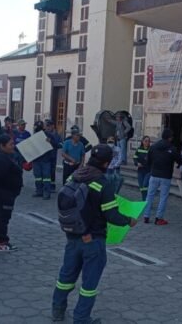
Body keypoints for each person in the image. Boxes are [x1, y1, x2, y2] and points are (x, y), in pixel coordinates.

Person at [52, 144, 137, 323]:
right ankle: (81, 318)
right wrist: (129, 220)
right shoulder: (102, 183)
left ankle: (57, 311)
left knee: (66, 276)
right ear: (106, 164)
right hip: (93, 240)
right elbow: (112, 215)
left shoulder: (74, 175)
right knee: (89, 284)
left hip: (72, 235)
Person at [0, 135, 24, 252]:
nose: (13, 146)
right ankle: (2, 241)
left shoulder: (3, 156)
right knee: (3, 217)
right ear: (2, 146)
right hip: (5, 192)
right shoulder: (2, 159)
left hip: (1, 191)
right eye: (10, 144)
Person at [143, 129, 182, 225]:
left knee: (149, 196)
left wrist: (152, 168)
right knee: (163, 197)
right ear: (169, 137)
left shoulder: (153, 147)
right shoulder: (172, 148)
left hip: (154, 175)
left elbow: (148, 161)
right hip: (166, 176)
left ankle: (146, 216)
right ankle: (159, 218)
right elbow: (180, 160)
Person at [32, 121, 57, 200]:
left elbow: (56, 145)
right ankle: (39, 190)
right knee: (37, 177)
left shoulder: (49, 135)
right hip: (36, 159)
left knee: (46, 177)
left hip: (46, 159)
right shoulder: (33, 136)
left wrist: (50, 142)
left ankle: (46, 192)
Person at [43, 119, 63, 193]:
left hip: (52, 156)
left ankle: (52, 186)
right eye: (46, 126)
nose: (47, 128)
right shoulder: (43, 134)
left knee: (51, 171)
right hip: (44, 156)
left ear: (52, 126)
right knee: (44, 172)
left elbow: (60, 145)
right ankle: (44, 186)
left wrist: (51, 141)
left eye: (48, 126)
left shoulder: (56, 135)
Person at [133, 136, 152, 201]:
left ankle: (146, 200)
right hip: (140, 170)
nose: (147, 142)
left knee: (145, 185)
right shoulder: (139, 149)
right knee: (141, 187)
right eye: (146, 141)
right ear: (142, 141)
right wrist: (137, 163)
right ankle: (144, 199)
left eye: (148, 141)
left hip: (148, 171)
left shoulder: (151, 150)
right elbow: (135, 158)